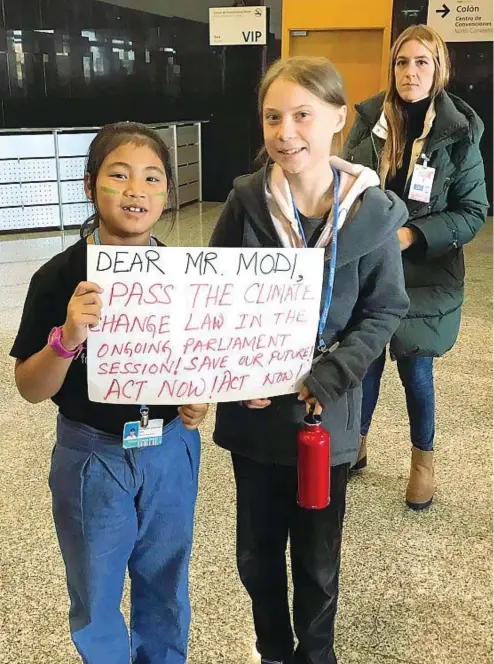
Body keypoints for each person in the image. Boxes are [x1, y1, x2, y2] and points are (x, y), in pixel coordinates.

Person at [209, 56, 409, 664]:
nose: (285, 131)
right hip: (255, 412)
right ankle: (272, 651)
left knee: (319, 560)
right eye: (273, 117)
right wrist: (236, 369)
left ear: (338, 121)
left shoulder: (370, 215)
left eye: (302, 115)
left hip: (327, 414)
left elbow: (384, 311)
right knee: (257, 553)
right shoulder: (246, 204)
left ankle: (316, 655)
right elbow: (214, 298)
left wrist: (332, 372)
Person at [10, 122, 209, 664]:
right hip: (92, 454)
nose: (135, 191)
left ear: (167, 192)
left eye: (151, 178)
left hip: (170, 448)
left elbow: (194, 358)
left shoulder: (181, 273)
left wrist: (195, 400)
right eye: (118, 176)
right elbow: (30, 387)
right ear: (88, 183)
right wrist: (67, 338)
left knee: (167, 582)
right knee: (96, 590)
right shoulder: (59, 277)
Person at [344, 24, 488, 509]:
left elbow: (472, 211)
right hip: (369, 267)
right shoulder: (368, 122)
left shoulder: (459, 131)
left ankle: (423, 461)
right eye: (402, 62)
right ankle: (356, 445)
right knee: (363, 362)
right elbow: (343, 184)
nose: (410, 72)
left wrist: (411, 235)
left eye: (421, 62)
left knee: (415, 369)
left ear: (438, 69)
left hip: (427, 271)